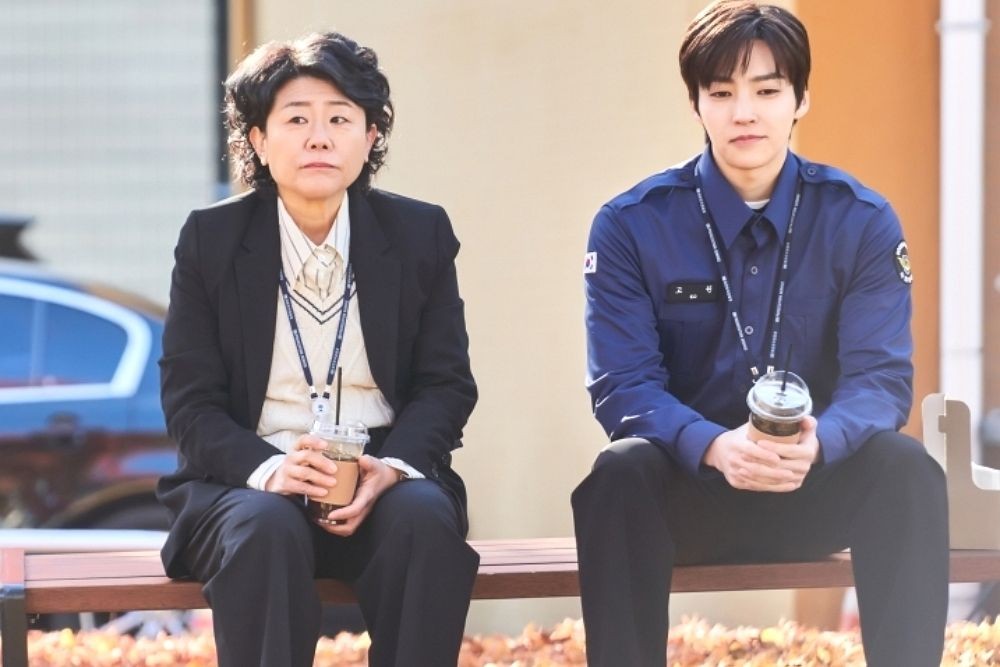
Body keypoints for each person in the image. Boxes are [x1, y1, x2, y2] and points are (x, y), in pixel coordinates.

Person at [572, 2, 949, 665]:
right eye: (721, 93)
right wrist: (715, 446)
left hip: (815, 486)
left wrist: (818, 443)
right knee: (619, 472)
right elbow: (623, 385)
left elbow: (880, 379)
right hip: (690, 492)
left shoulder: (860, 221)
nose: (744, 112)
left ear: (801, 98)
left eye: (767, 91)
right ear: (696, 103)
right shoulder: (631, 225)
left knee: (906, 467)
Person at [157, 31, 479, 667]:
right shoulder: (210, 240)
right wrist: (272, 471)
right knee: (265, 529)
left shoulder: (420, 234)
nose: (319, 138)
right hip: (248, 484)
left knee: (422, 521)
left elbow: (446, 384)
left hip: (380, 476)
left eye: (340, 119)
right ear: (258, 140)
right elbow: (190, 403)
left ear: (370, 135)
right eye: (297, 119)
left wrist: (394, 468)